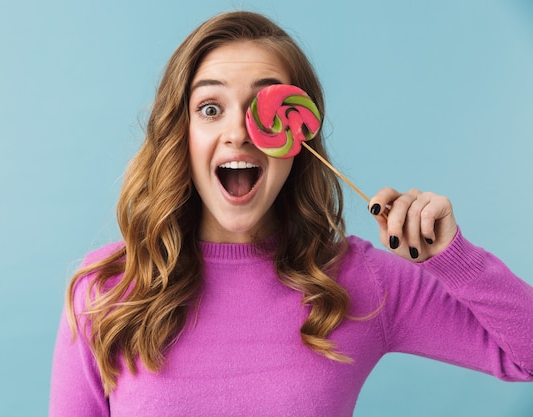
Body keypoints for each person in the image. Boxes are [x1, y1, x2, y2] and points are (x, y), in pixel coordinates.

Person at [49, 11, 533, 416]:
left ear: (298, 138)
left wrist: (452, 257)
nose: (238, 133)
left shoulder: (358, 281)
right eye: (211, 108)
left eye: (265, 106)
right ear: (183, 134)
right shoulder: (106, 291)